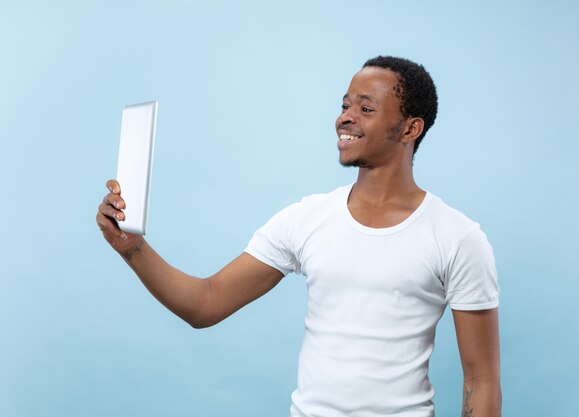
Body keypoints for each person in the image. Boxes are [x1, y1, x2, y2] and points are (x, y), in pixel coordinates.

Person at [97, 56, 501, 417]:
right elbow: (205, 304)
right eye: (344, 105)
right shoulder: (307, 218)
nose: (345, 118)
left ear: (411, 128)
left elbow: (480, 382)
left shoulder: (457, 237)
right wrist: (132, 248)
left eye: (365, 108)